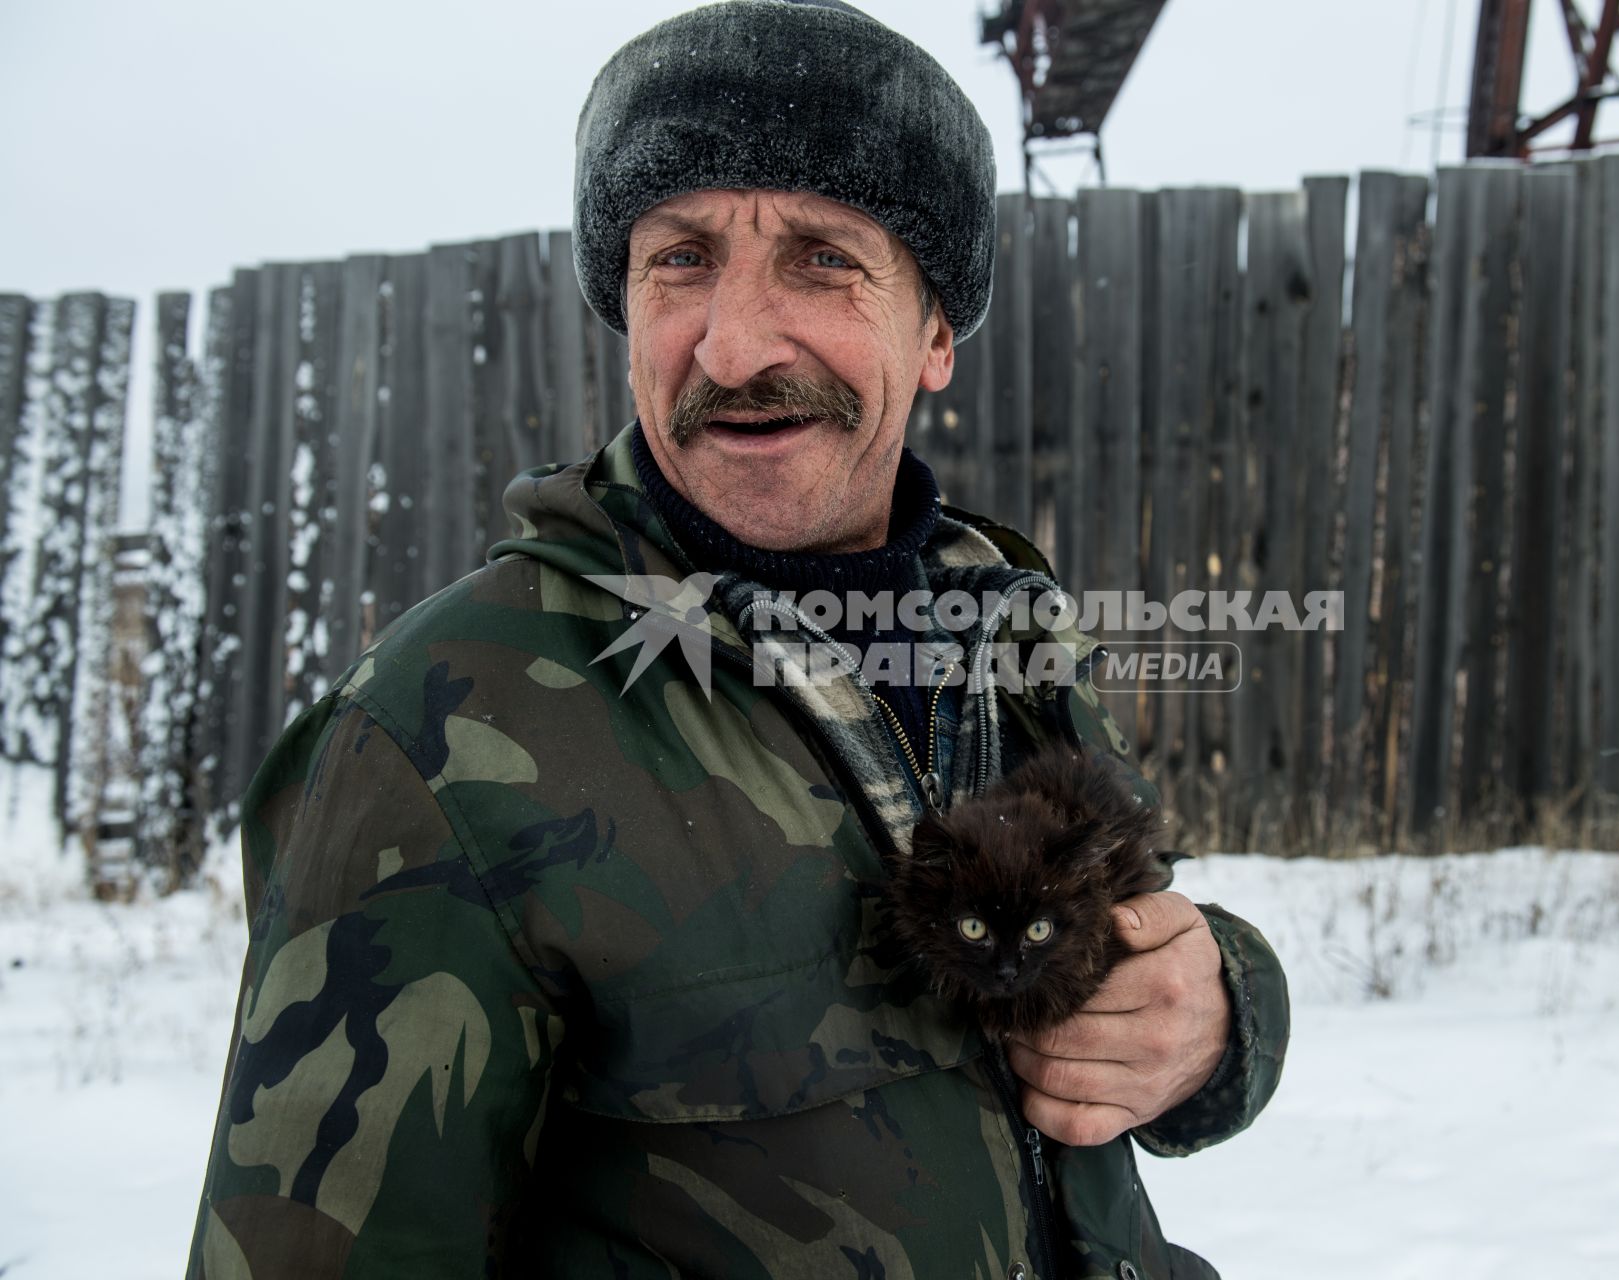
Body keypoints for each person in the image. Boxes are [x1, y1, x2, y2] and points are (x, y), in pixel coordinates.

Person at [187, 2, 1288, 1276]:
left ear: (935, 333)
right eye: (682, 259)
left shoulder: (1002, 628)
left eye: (823, 257)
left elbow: (1130, 975)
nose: (734, 342)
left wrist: (1225, 1011)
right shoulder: (441, 730)